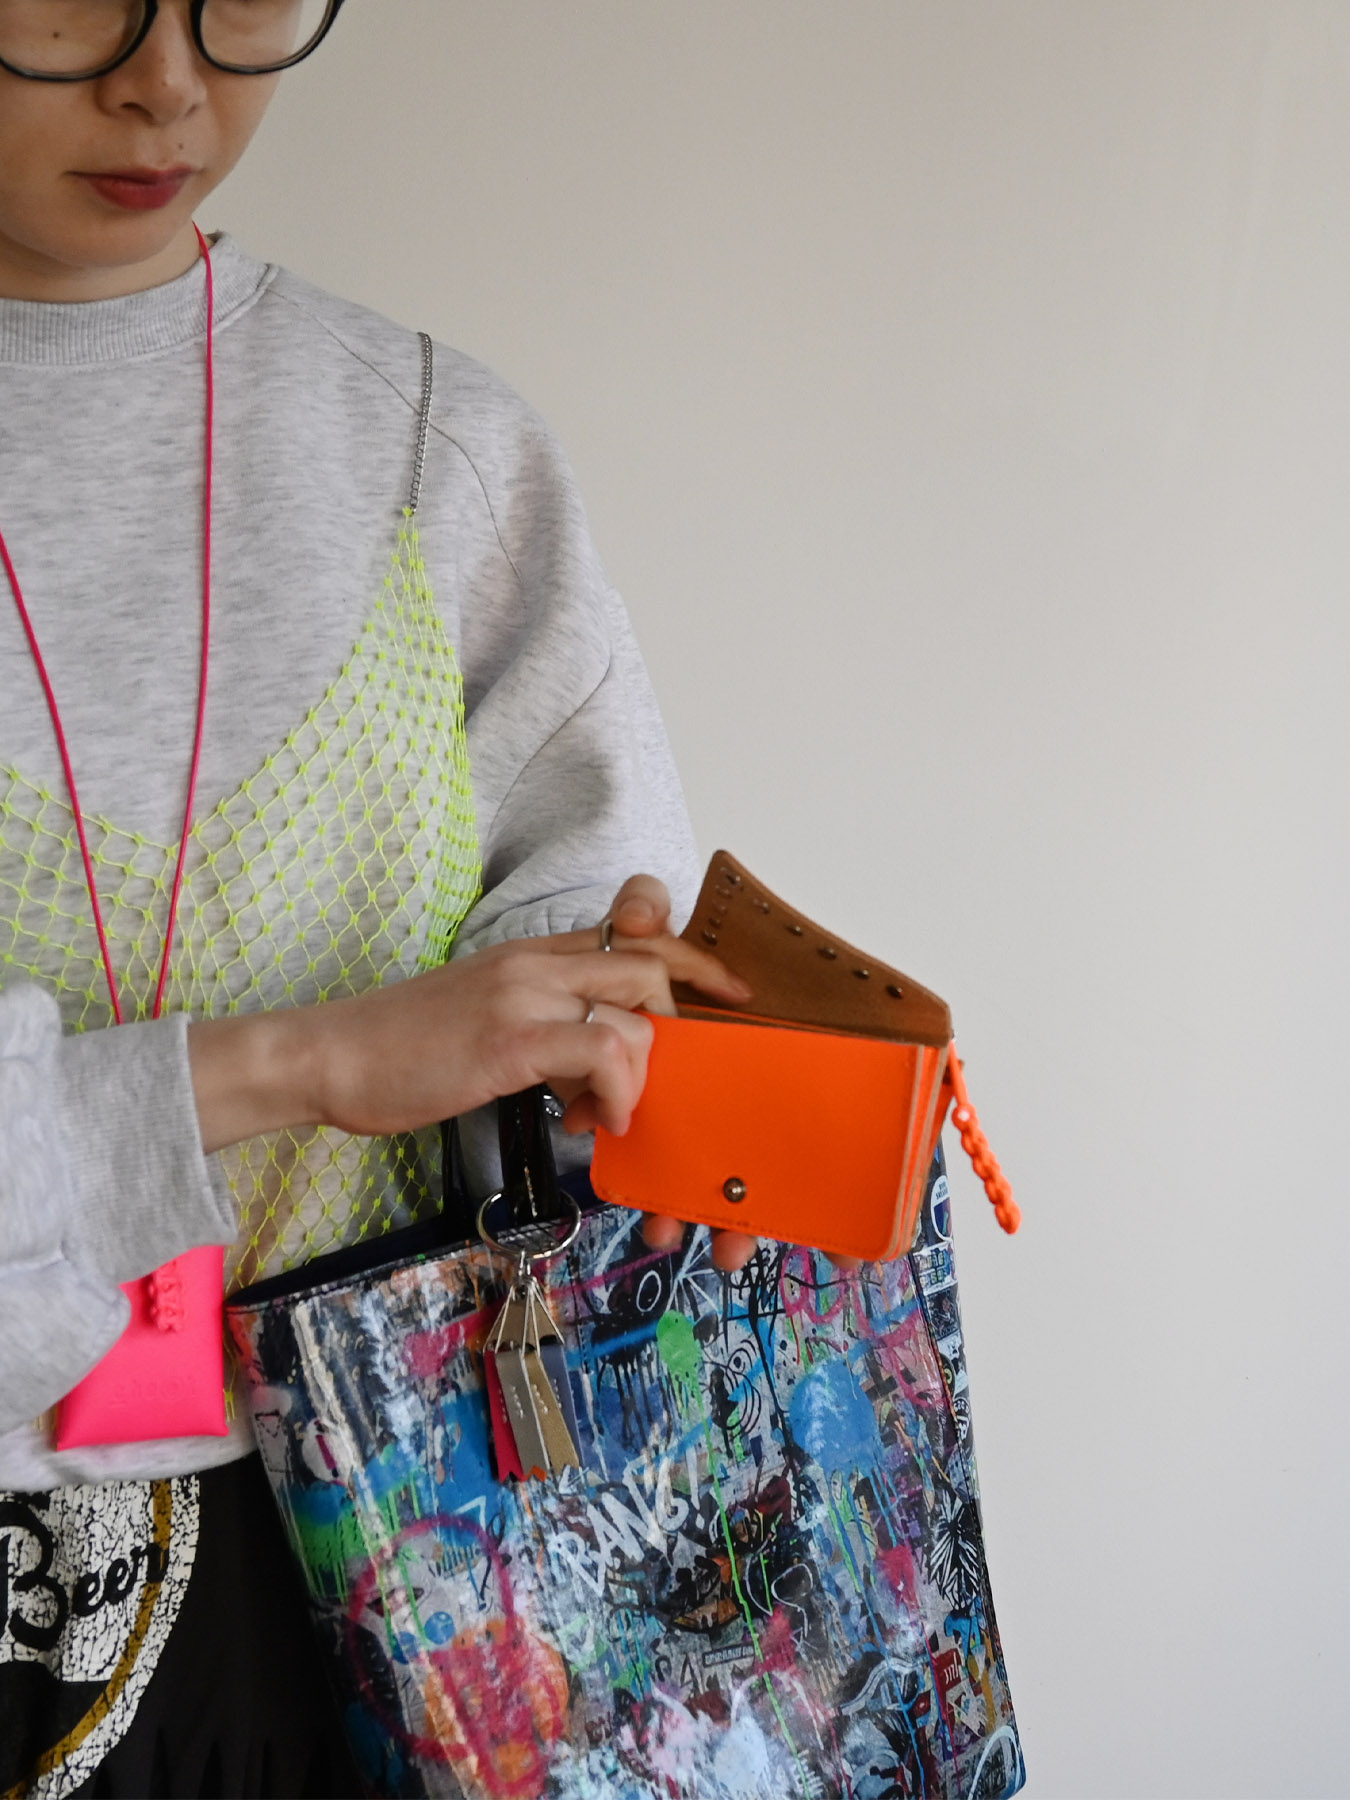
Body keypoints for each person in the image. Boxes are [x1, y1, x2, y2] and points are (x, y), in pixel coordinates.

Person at [0, 3, 758, 1790]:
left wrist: (639, 1063)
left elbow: (586, 955)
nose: (167, 80)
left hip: (414, 1567)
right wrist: (305, 1063)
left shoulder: (435, 446)